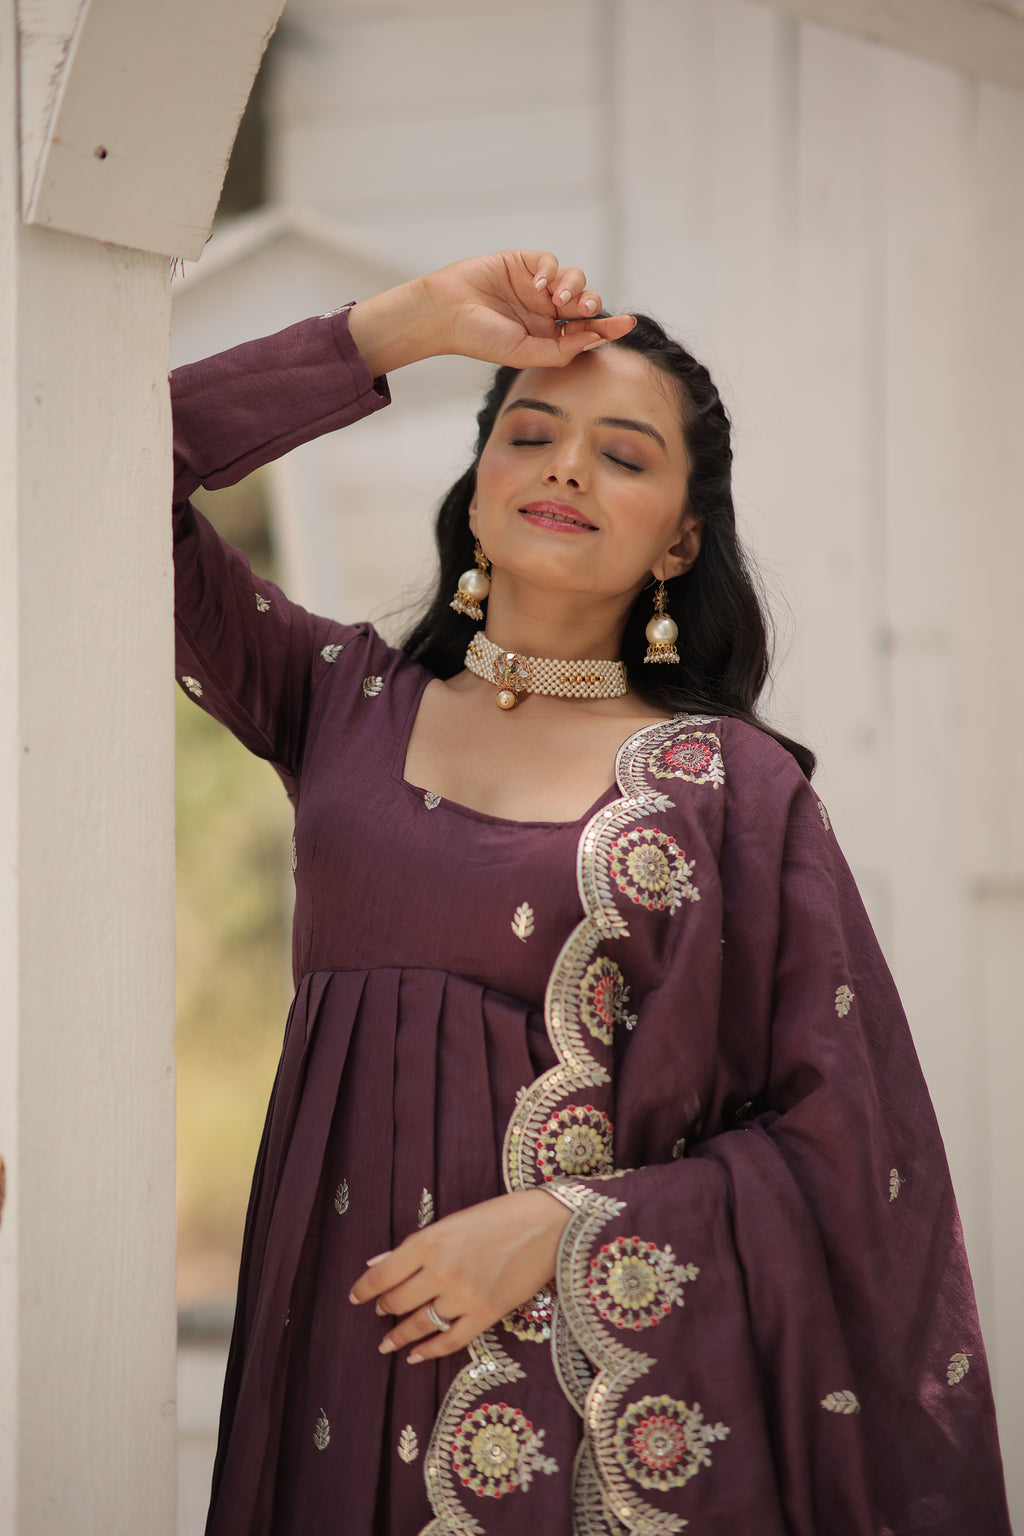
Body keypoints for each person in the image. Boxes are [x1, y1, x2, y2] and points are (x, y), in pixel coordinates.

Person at [171, 251, 1011, 1536]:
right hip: (331, 1372)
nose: (565, 467)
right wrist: (394, 330)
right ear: (479, 483)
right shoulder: (338, 703)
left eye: (623, 454)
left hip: (586, 1410)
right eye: (529, 432)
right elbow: (93, 465)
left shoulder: (730, 790)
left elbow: (845, 1145)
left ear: (680, 535)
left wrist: (565, 1224)